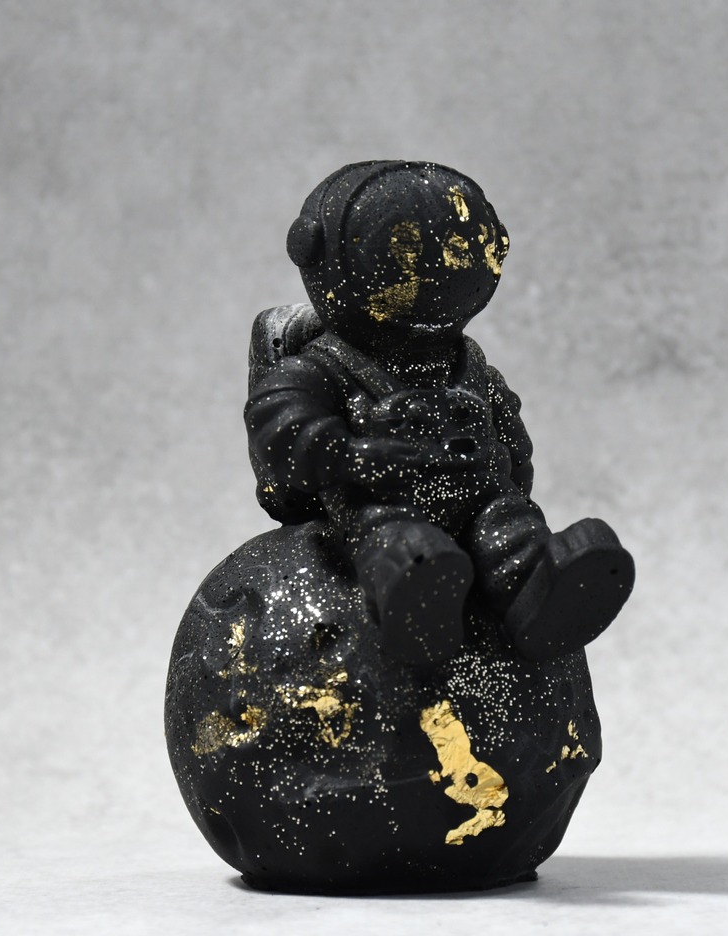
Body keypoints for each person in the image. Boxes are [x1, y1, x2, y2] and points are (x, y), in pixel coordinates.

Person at [245, 161, 634, 666]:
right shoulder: (326, 367)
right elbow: (279, 422)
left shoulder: (470, 367)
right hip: (381, 497)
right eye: (404, 250)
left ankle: (539, 593)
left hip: (482, 494)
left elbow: (508, 429)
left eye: (459, 247)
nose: (438, 267)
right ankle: (413, 601)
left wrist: (512, 478)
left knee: (510, 527)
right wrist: (352, 455)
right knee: (394, 539)